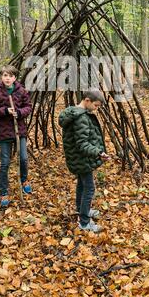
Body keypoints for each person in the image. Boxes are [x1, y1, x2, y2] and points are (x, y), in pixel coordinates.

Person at [59, 90, 109, 232]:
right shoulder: (81, 118)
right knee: (89, 188)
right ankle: (85, 222)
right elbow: (82, 144)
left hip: (78, 158)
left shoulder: (74, 112)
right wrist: (99, 153)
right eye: (96, 105)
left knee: (82, 184)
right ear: (87, 100)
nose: (96, 109)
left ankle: (82, 210)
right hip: (82, 158)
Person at [0, 65, 32, 207]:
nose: (7, 78)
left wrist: (20, 112)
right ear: (1, 77)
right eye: (5, 75)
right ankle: (3, 191)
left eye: (10, 76)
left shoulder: (21, 91)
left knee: (23, 158)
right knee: (5, 163)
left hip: (19, 131)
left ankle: (24, 180)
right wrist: (4, 110)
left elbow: (28, 107)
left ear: (15, 78)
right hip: (3, 132)